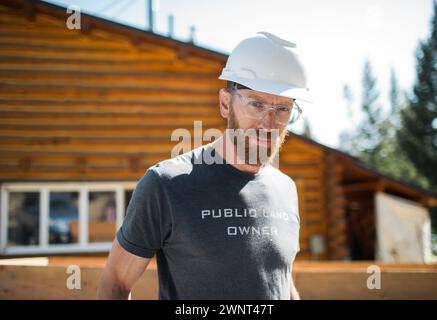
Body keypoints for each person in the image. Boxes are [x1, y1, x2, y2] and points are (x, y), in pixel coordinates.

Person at [97, 31, 310, 300]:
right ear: (225, 103)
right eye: (256, 104)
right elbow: (115, 282)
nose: (268, 124)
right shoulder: (166, 184)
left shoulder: (285, 189)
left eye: (282, 109)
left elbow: (280, 280)